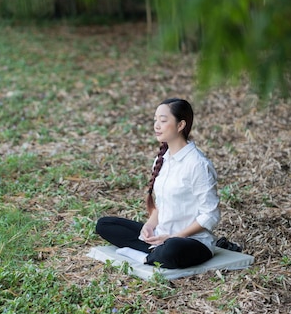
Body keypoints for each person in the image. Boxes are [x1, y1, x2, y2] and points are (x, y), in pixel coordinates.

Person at [95, 98, 221, 269]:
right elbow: (162, 204)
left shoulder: (198, 165)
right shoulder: (162, 159)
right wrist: (149, 225)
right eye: (155, 120)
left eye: (163, 120)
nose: (156, 125)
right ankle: (153, 251)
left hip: (191, 242)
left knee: (172, 249)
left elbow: (210, 215)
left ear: (180, 125)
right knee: (105, 224)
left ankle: (147, 255)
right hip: (161, 236)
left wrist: (174, 236)